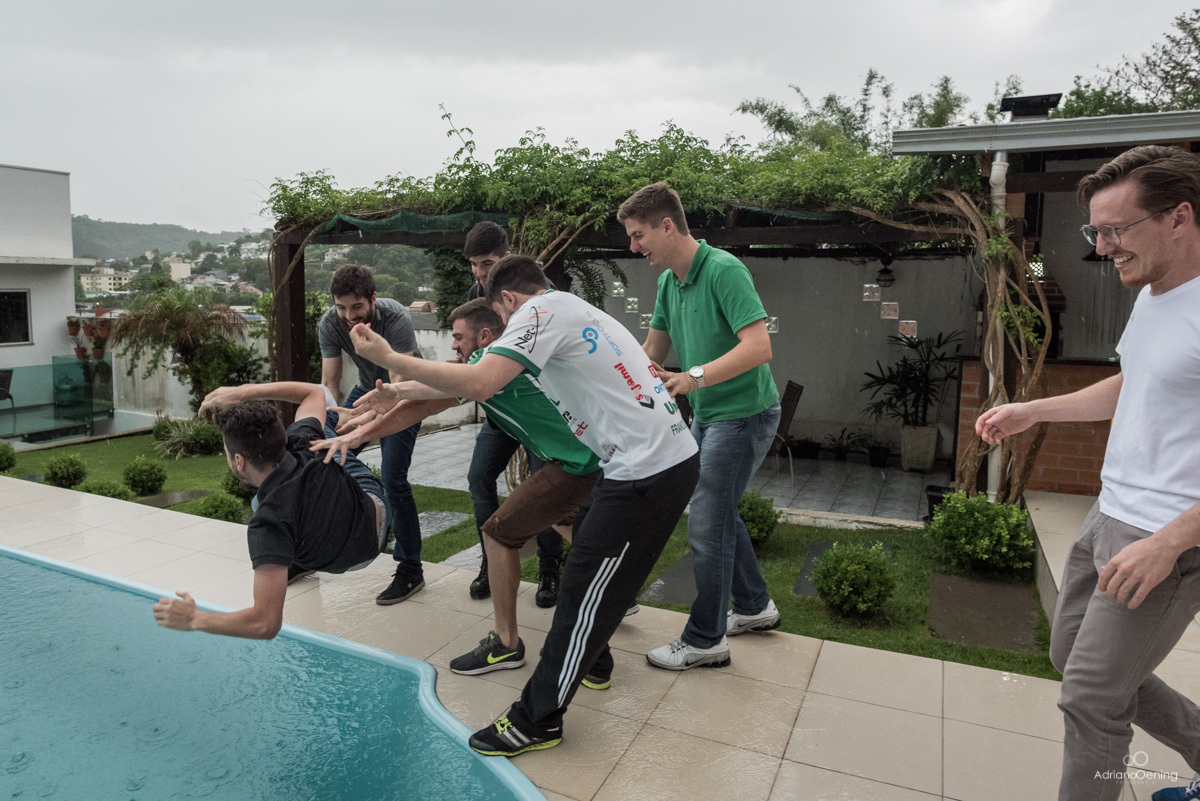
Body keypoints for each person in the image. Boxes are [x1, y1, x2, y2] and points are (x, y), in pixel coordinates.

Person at [348, 254, 699, 756]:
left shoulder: (539, 314)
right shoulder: (570, 309)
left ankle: (536, 720)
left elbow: (478, 382)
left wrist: (391, 356)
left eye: (503, 319)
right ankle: (587, 666)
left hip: (647, 473)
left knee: (582, 593)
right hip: (649, 465)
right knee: (589, 585)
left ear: (508, 300)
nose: (506, 331)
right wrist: (398, 389)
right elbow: (466, 376)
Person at [974, 145, 1200, 801]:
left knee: (1091, 700)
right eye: (1094, 232)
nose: (1102, 247)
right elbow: (1137, 385)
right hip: (1111, 513)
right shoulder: (1156, 292)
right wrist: (1031, 409)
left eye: (1115, 230)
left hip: (1165, 538)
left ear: (1179, 216)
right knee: (1070, 658)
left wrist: (1168, 543)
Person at [312, 299, 611, 683]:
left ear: (484, 336)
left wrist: (387, 392)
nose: (453, 345)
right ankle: (601, 633)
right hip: (582, 463)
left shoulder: (494, 363)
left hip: (579, 466)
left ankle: (507, 643)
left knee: (498, 534)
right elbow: (422, 407)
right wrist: (358, 435)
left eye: (458, 337)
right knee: (565, 525)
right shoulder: (488, 366)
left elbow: (423, 393)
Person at [617, 181, 782, 671]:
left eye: (638, 234)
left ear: (667, 225)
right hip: (710, 413)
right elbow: (652, 354)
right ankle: (754, 606)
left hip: (744, 414)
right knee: (718, 512)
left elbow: (759, 348)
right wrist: (611, 376)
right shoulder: (670, 280)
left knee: (707, 522)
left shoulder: (724, 270)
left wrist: (694, 377)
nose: (634, 246)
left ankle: (706, 638)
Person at [151, 382, 391, 640]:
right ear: (284, 439)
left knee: (270, 496)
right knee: (323, 437)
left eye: (227, 453)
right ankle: (335, 417)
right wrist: (243, 392)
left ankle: (336, 418)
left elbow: (265, 623)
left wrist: (195, 618)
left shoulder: (267, 524)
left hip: (363, 545)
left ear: (239, 461)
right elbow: (315, 392)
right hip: (371, 515)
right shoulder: (302, 441)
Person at [461, 223, 563, 606]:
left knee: (546, 489)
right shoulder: (477, 293)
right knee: (478, 477)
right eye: (474, 264)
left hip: (538, 412)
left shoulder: (541, 292)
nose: (479, 272)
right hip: (500, 410)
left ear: (507, 255)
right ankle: (491, 560)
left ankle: (550, 569)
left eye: (486, 263)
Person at [318, 264, 425, 605]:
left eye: (356, 307)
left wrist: (366, 429)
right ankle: (306, 547)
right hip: (365, 392)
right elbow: (329, 385)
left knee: (394, 478)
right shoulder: (329, 323)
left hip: (405, 393)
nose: (349, 315)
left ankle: (410, 569)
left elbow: (398, 385)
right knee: (319, 458)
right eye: (341, 307)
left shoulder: (395, 319)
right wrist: (325, 426)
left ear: (372, 299)